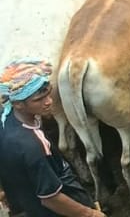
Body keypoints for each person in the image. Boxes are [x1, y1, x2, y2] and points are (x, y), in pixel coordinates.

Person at [0, 59, 103, 217]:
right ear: (18, 104)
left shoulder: (8, 121)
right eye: (38, 99)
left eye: (48, 94)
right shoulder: (32, 146)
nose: (49, 102)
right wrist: (90, 214)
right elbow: (51, 199)